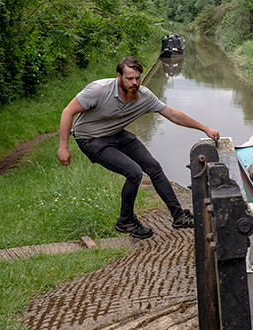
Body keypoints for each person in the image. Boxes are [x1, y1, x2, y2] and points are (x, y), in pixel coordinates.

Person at [58, 56, 220, 239]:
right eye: (129, 78)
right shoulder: (98, 90)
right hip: (90, 139)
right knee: (134, 173)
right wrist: (63, 147)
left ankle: (179, 216)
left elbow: (173, 114)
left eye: (137, 78)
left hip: (116, 133)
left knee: (154, 168)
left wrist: (205, 128)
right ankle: (125, 221)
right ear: (118, 76)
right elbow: (67, 112)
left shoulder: (144, 96)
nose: (134, 83)